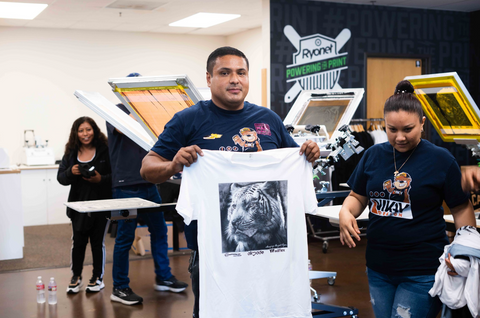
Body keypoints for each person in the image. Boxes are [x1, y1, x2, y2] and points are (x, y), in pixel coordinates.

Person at [140, 46, 320, 317]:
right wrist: (174, 164)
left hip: (272, 255)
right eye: (224, 73)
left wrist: (309, 155)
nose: (234, 79)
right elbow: (147, 168)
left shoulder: (268, 119)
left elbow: (295, 165)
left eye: (241, 72)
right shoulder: (188, 120)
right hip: (216, 257)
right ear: (209, 79)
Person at [338, 80, 477, 318]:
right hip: (378, 267)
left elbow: (461, 208)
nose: (400, 137)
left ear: (422, 124)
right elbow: (357, 196)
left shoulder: (441, 160)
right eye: (392, 130)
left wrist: (464, 254)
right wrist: (345, 212)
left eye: (408, 129)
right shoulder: (372, 156)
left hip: (421, 270)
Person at [107, 72, 188, 306]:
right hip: (126, 185)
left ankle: (164, 277)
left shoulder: (147, 111)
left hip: (149, 183)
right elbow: (126, 128)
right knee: (124, 238)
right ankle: (119, 287)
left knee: (160, 230)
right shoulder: (117, 111)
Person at [57, 116, 112, 294]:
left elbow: (115, 176)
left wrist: (99, 179)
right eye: (81, 130)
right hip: (78, 206)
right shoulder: (71, 152)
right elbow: (61, 178)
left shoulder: (105, 150)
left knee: (97, 243)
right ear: (76, 133)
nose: (85, 134)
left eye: (88, 129)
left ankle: (98, 278)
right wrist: (71, 172)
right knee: (78, 242)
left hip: (101, 205)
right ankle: (76, 276)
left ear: (94, 130)